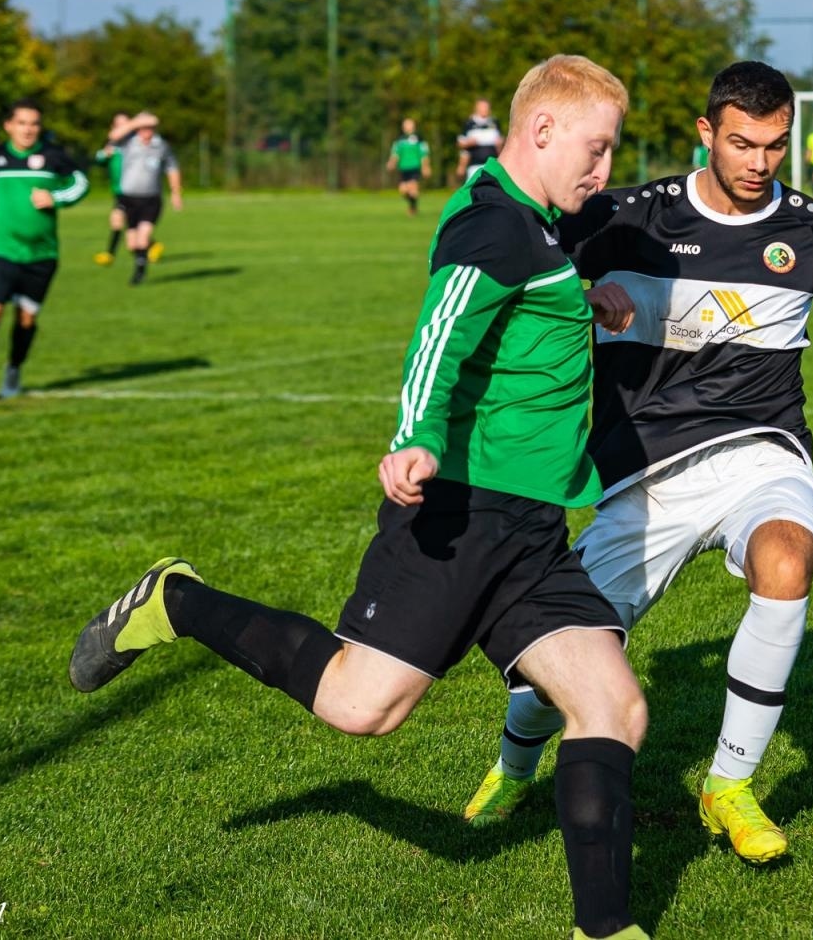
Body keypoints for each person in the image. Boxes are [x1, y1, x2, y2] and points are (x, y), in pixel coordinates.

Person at [68, 55, 651, 940]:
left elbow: (525, 312)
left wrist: (585, 301)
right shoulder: (495, 225)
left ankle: (605, 930)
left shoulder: (536, 228)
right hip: (462, 512)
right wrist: (415, 435)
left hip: (531, 530)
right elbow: (439, 334)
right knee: (359, 706)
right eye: (596, 148)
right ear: (541, 130)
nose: (603, 170)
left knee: (614, 707)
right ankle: (174, 601)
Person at [462, 62, 813, 867]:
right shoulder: (624, 218)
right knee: (559, 665)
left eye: (775, 145)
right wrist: (579, 299)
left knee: (787, 560)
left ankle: (728, 784)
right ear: (706, 134)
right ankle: (515, 768)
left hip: (763, 453)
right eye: (742, 144)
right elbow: (506, 259)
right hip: (643, 477)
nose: (760, 163)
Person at [0, 100, 89, 399]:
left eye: (34, 123)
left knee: (26, 319)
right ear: (9, 126)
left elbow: (81, 183)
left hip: (42, 254)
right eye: (22, 123)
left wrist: (55, 198)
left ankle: (13, 369)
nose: (28, 129)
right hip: (2, 247)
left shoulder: (53, 156)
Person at [108, 111, 182, 284]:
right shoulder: (129, 142)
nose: (146, 131)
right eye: (143, 127)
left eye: (149, 127)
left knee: (143, 237)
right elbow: (113, 136)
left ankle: (139, 273)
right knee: (132, 244)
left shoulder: (161, 146)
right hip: (129, 198)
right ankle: (142, 260)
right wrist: (134, 122)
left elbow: (172, 168)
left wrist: (176, 192)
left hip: (150, 199)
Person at [92, 113, 130, 265]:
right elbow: (98, 159)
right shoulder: (113, 145)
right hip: (119, 191)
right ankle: (151, 246)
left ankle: (110, 254)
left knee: (122, 222)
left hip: (133, 191)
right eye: (119, 125)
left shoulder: (134, 144)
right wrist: (104, 154)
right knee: (122, 222)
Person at [386, 117, 431, 215]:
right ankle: (413, 205)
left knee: (413, 189)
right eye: (405, 125)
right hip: (403, 168)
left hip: (414, 167)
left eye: (409, 124)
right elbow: (395, 154)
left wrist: (425, 167)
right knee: (403, 190)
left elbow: (424, 154)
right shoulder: (400, 140)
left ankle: (413, 209)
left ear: (414, 126)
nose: (407, 126)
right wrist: (391, 163)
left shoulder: (419, 139)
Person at [455, 98, 504, 181]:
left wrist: (500, 144)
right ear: (476, 108)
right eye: (482, 107)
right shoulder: (468, 123)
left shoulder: (495, 122)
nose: (485, 109)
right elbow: (460, 144)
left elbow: (501, 143)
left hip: (492, 164)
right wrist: (469, 143)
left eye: (486, 107)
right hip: (474, 165)